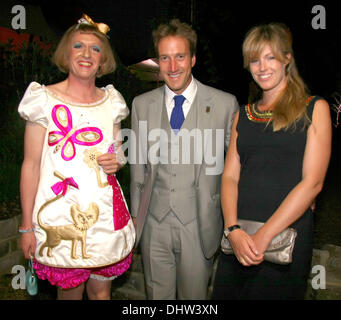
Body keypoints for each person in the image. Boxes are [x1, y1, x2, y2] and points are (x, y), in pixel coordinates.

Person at [18, 14, 135, 300]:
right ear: (65, 52)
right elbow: (31, 166)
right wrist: (26, 226)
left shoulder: (112, 101)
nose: (86, 54)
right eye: (78, 46)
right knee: (69, 295)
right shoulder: (43, 100)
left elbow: (116, 152)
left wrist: (118, 160)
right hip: (61, 216)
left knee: (100, 295)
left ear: (103, 59)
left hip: (104, 218)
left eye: (95, 49)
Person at [212, 22, 332, 300]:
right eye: (254, 60)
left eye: (270, 57)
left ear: (287, 58)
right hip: (239, 236)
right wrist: (233, 230)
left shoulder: (315, 108)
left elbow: (312, 183)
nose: (262, 67)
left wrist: (264, 236)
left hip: (285, 237)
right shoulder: (244, 114)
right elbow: (230, 176)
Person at [130, 19, 238, 299]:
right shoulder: (141, 105)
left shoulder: (225, 105)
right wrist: (135, 223)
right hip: (154, 225)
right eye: (165, 58)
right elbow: (138, 171)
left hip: (199, 225)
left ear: (192, 59)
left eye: (180, 56)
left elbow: (236, 169)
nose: (173, 66)